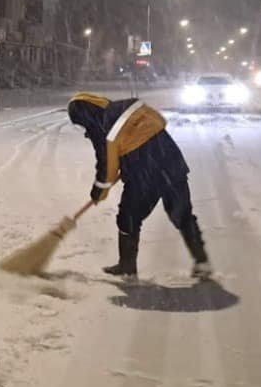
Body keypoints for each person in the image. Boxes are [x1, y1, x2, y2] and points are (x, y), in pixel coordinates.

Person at [66, 92, 210, 280]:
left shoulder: (101, 128)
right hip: (172, 163)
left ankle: (127, 267)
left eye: (81, 123)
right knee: (182, 214)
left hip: (143, 175)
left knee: (128, 218)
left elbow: (107, 167)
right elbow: (161, 122)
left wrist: (98, 192)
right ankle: (202, 262)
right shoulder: (131, 106)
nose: (84, 128)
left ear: (86, 116)